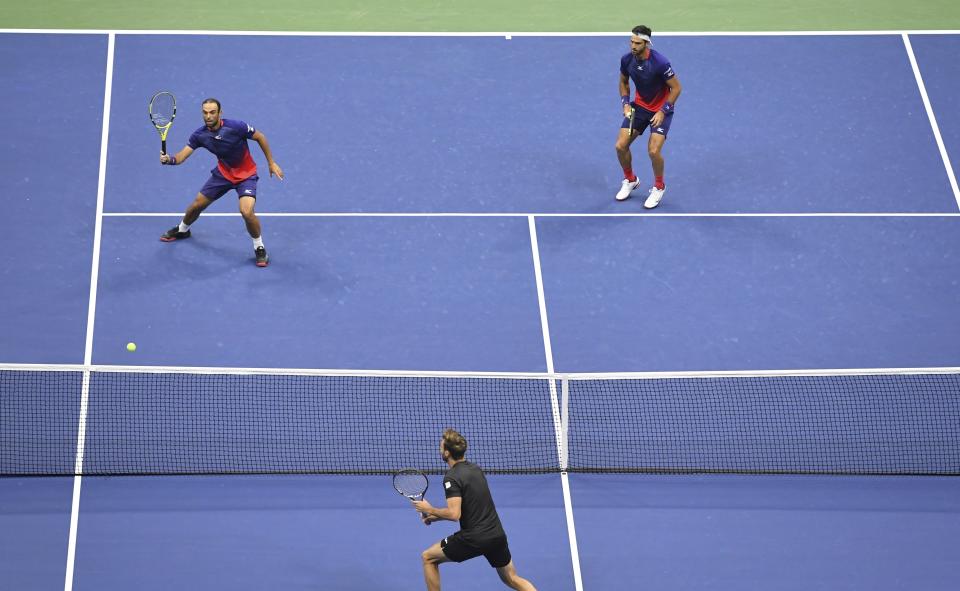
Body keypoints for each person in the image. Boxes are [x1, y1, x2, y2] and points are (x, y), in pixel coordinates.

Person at [158, 98, 283, 267]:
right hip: (223, 174)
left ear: (220, 113)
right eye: (205, 112)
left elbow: (260, 137)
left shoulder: (236, 127)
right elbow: (181, 157)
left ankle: (259, 246)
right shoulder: (199, 135)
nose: (208, 116)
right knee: (196, 205)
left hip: (246, 175)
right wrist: (169, 159)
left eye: (212, 112)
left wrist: (271, 162)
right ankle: (183, 230)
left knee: (246, 211)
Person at [412, 429, 537, 591]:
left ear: (447, 453)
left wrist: (429, 508)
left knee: (428, 557)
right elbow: (468, 507)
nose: (439, 450)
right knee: (512, 578)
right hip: (496, 535)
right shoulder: (476, 469)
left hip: (475, 538)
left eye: (441, 447)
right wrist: (433, 517)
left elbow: (454, 514)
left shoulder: (451, 477)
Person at [615, 25, 682, 208]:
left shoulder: (660, 62)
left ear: (647, 43)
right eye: (631, 42)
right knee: (620, 146)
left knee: (653, 151)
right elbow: (623, 82)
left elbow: (676, 88)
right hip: (639, 108)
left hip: (661, 109)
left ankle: (659, 187)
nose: (633, 46)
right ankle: (630, 180)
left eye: (637, 43)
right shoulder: (627, 60)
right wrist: (626, 103)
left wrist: (663, 111)